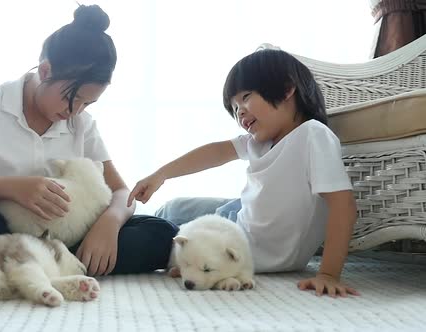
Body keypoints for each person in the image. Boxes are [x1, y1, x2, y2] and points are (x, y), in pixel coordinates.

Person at [0, 4, 178, 277]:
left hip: (69, 231)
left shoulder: (81, 122)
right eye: (74, 98)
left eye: (87, 103)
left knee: (164, 234)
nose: (76, 111)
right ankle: (56, 260)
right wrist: (11, 188)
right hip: (0, 227)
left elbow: (122, 193)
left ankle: (34, 260)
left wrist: (110, 222)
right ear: (45, 71)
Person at [127, 49, 360, 297]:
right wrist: (161, 174)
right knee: (173, 208)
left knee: (162, 230)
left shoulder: (313, 135)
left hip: (240, 245)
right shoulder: (259, 142)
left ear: (286, 88)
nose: (239, 112)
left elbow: (342, 205)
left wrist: (328, 274)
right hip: (236, 221)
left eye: (245, 97)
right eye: (234, 107)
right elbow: (216, 152)